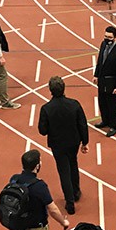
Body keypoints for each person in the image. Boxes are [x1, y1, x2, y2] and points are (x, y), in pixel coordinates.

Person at [11, 149, 71, 230]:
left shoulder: (14, 179)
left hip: (21, 226)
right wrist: (63, 222)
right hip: (37, 228)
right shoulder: (39, 186)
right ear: (37, 166)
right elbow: (53, 209)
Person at [38, 76, 89, 214]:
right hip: (73, 142)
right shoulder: (74, 104)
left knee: (63, 171)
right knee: (73, 164)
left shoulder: (46, 109)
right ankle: (76, 192)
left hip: (57, 144)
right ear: (64, 88)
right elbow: (82, 124)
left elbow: (42, 130)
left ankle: (70, 202)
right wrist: (85, 142)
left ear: (50, 90)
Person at [93, 26, 116, 137]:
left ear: (114, 37)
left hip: (112, 83)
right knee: (102, 102)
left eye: (109, 37)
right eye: (105, 36)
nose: (107, 39)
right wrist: (96, 75)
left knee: (113, 106)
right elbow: (100, 61)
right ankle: (105, 120)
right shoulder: (103, 45)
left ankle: (114, 126)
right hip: (102, 81)